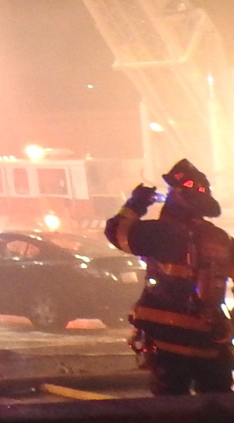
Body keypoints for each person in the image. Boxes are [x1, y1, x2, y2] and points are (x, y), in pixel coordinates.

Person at [105, 158, 234, 395]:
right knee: (218, 407)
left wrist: (136, 204)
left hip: (167, 343)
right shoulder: (220, 239)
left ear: (176, 197)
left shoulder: (160, 233)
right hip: (211, 343)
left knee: (172, 408)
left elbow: (116, 232)